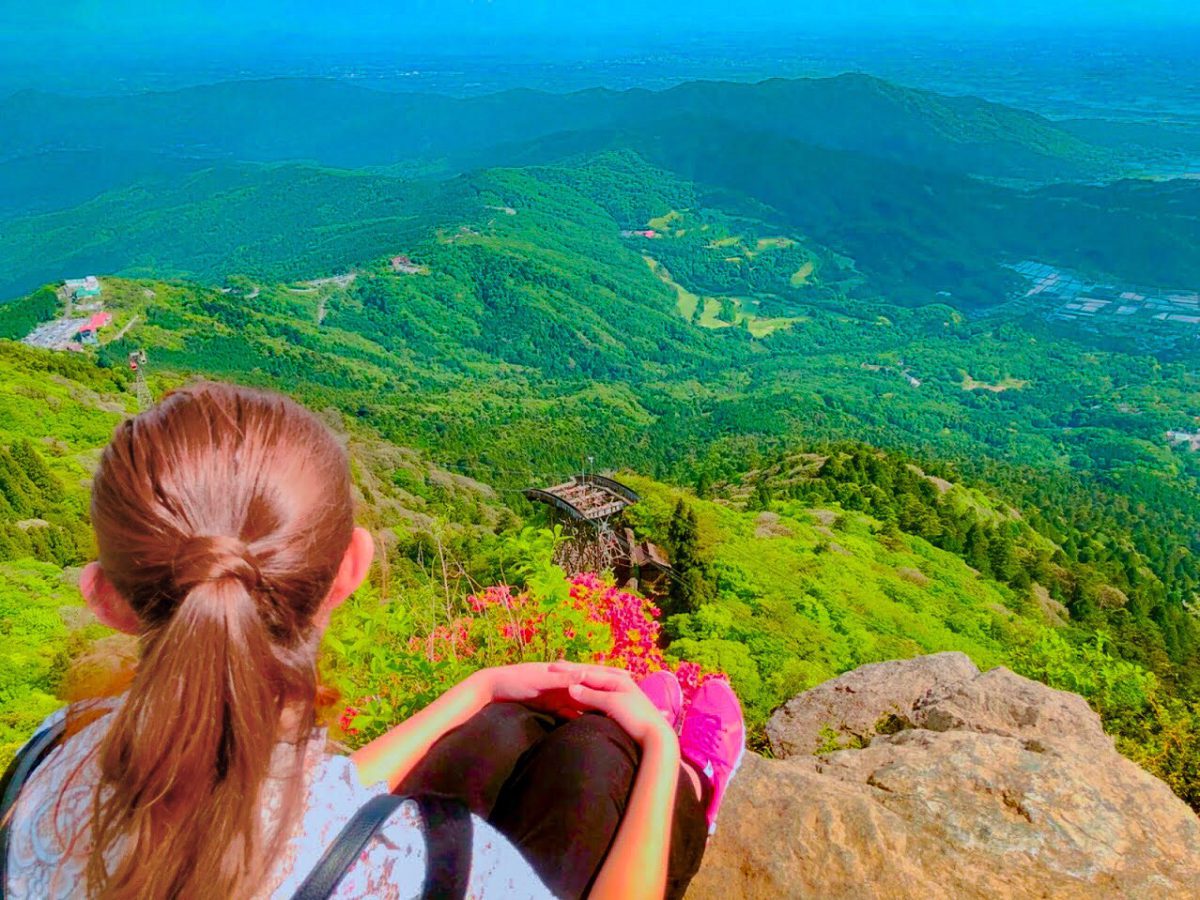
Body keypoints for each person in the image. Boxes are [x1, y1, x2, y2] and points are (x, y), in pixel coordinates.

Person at [3, 382, 745, 899]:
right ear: (350, 567)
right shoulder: (433, 865)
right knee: (599, 753)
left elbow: (296, 810)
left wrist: (475, 690)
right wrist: (656, 745)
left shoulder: (44, 762)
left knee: (499, 726)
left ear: (104, 597)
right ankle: (691, 784)